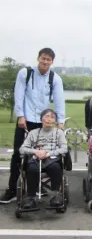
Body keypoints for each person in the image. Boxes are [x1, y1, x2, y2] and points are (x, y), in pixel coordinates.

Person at [1, 48, 66, 204]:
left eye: (48, 59)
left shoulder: (55, 78)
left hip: (43, 121)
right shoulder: (26, 73)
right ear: (38, 58)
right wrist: (20, 115)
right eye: (43, 58)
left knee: (45, 152)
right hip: (26, 119)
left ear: (52, 62)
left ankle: (38, 186)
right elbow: (19, 94)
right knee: (19, 154)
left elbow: (59, 100)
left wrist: (60, 121)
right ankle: (12, 190)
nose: (45, 62)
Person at [19, 109, 68, 209]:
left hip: (52, 159)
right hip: (36, 159)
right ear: (41, 119)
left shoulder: (59, 133)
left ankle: (55, 196)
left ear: (55, 121)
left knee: (56, 168)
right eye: (47, 116)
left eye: (52, 117)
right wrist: (35, 152)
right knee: (32, 169)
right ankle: (31, 198)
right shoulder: (33, 133)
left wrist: (48, 153)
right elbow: (22, 149)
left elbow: (64, 148)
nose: (49, 119)